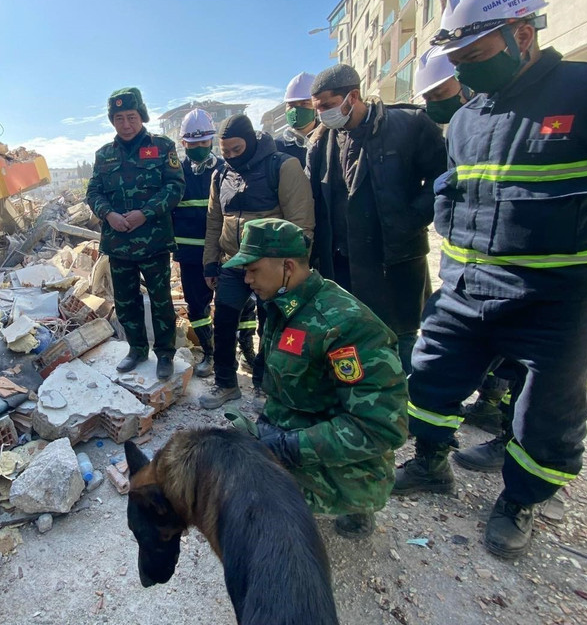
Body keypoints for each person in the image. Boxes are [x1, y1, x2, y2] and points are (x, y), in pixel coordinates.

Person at [394, 0, 587, 559]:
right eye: (457, 61)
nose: (465, 72)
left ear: (522, 35)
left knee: (546, 413)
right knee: (430, 380)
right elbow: (454, 195)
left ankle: (519, 501)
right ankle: (431, 462)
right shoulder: (466, 118)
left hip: (556, 297)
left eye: (475, 56)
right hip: (466, 288)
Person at [224, 218, 408, 538]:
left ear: (288, 267)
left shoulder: (345, 326)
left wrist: (288, 447)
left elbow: (380, 427)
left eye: (253, 269)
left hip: (350, 456)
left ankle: (355, 501)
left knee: (258, 494)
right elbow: (287, 386)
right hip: (304, 421)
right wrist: (266, 432)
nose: (247, 279)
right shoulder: (286, 304)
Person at [415, 46, 526, 442]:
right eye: (428, 97)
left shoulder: (528, 115)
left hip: (527, 279)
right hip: (463, 275)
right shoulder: (462, 126)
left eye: (440, 93)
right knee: (439, 368)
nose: (434, 103)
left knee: (521, 374)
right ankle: (432, 457)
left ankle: (500, 424)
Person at [308, 64, 446, 373]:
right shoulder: (321, 141)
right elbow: (313, 198)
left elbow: (442, 178)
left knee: (398, 341)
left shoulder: (409, 125)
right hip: (341, 265)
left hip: (392, 258)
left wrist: (410, 220)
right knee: (349, 342)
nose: (322, 115)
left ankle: (402, 398)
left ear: (353, 96)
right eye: (318, 109)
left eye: (328, 106)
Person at [200, 114, 315, 408]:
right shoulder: (220, 175)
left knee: (271, 327)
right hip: (232, 264)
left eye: (237, 150)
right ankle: (226, 383)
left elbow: (301, 224)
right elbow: (214, 222)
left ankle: (265, 384)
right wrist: (210, 262)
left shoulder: (283, 167)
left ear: (251, 142)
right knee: (223, 322)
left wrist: (292, 270)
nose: (231, 157)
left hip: (271, 267)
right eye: (225, 152)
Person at [87, 87, 185, 379]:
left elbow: (175, 186)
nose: (126, 124)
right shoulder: (104, 154)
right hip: (118, 244)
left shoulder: (162, 147)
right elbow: (94, 192)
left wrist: (146, 212)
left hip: (154, 242)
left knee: (161, 301)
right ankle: (137, 349)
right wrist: (109, 214)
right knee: (126, 302)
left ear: (141, 116)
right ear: (112, 121)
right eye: (119, 118)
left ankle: (165, 354)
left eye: (131, 117)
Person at [172, 108, 221, 378]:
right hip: (190, 256)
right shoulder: (177, 174)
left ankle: (243, 352)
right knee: (197, 306)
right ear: (184, 143)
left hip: (222, 254)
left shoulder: (225, 169)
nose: (199, 148)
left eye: (203, 142)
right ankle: (210, 352)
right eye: (193, 144)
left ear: (212, 140)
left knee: (234, 306)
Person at [274, 71, 317, 166]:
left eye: (304, 103)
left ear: (317, 106)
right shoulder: (276, 147)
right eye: (291, 104)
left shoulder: (331, 140)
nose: (296, 110)